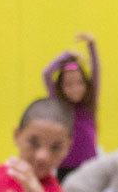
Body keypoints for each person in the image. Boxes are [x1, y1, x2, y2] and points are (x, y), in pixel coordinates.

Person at [42, 33, 101, 180]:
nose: (75, 88)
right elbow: (47, 74)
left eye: (79, 83)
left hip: (89, 165)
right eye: (68, 84)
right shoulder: (60, 106)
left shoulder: (89, 103)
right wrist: (65, 56)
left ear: (86, 85)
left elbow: (96, 72)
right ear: (61, 88)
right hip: (65, 166)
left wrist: (91, 46)